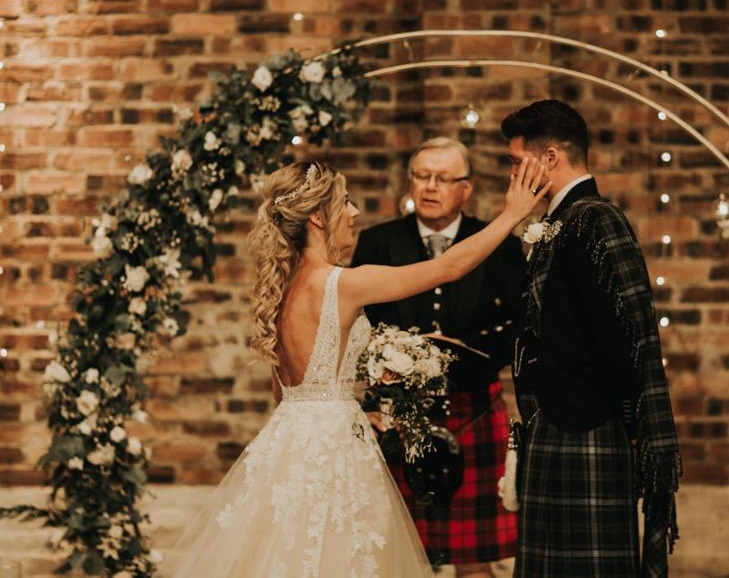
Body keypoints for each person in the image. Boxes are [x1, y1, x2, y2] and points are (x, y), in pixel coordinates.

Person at [159, 158, 548, 577]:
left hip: (289, 439)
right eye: (345, 202)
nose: (354, 213)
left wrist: (346, 407)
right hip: (333, 448)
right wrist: (511, 215)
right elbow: (448, 268)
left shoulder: (281, 288)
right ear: (316, 218)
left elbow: (285, 392)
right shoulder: (343, 284)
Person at [501, 99, 681, 578]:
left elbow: (624, 338)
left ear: (551, 157)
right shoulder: (565, 222)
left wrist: (612, 418)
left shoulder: (596, 218)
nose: (512, 175)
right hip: (558, 428)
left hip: (586, 428)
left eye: (517, 162)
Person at [351, 137, 523, 576]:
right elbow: (358, 324)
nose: (430, 186)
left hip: (475, 409)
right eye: (422, 176)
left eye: (444, 178)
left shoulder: (496, 243)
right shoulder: (377, 242)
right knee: (396, 555)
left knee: (474, 558)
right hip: (397, 416)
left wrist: (460, 364)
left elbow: (521, 324)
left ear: (466, 189)